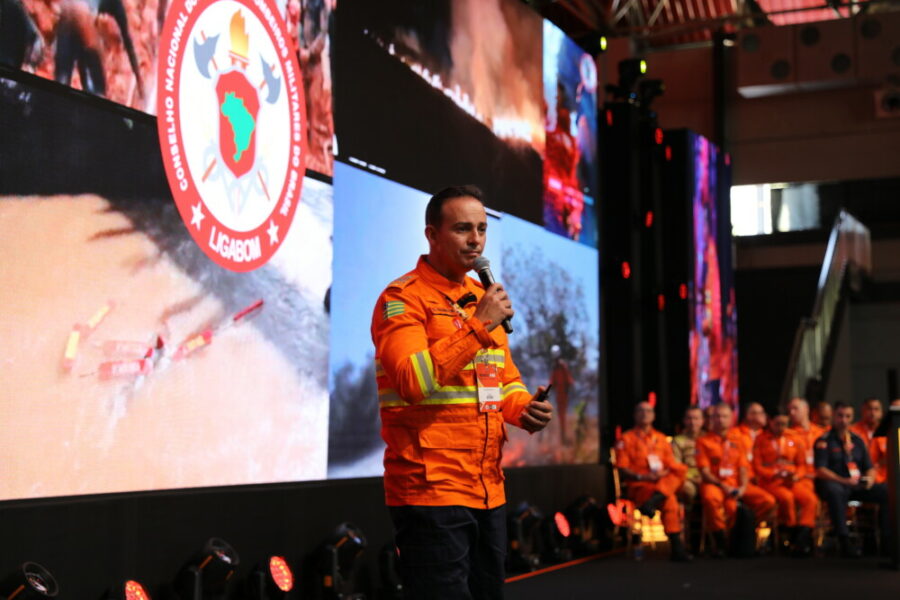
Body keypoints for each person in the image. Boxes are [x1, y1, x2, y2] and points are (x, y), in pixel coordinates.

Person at [371, 186, 553, 599]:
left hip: (488, 487)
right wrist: (477, 326)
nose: (476, 240)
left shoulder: (481, 299)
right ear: (432, 235)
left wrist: (524, 408)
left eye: (482, 229)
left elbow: (502, 381)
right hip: (429, 488)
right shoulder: (401, 300)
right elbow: (413, 381)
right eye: (462, 229)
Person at [615, 402, 692, 562]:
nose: (645, 414)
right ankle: (677, 546)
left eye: (648, 410)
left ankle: (653, 501)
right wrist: (642, 477)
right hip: (640, 485)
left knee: (680, 470)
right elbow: (622, 468)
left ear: (654, 415)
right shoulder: (626, 438)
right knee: (670, 499)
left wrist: (663, 472)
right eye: (641, 411)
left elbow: (671, 464)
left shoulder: (662, 438)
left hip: (660, 483)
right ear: (635, 415)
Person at [696, 403, 776, 557]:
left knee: (768, 501)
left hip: (737, 484)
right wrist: (723, 486)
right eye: (717, 416)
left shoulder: (738, 440)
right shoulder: (703, 441)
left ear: (731, 419)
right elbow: (704, 471)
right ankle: (721, 542)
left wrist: (743, 488)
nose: (720, 419)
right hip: (715, 483)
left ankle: (745, 530)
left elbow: (743, 468)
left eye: (724, 416)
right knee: (711, 498)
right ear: (711, 419)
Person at [814, 402, 889, 558]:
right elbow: (821, 470)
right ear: (834, 416)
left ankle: (888, 540)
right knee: (836, 491)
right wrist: (843, 480)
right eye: (840, 416)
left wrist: (869, 479)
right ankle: (844, 540)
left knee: (887, 491)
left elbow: (869, 466)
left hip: (855, 484)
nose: (843, 420)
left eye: (847, 416)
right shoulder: (824, 440)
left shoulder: (857, 440)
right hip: (833, 483)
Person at [752, 413, 817, 556]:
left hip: (792, 480)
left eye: (784, 424)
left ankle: (803, 536)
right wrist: (773, 474)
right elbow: (757, 466)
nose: (781, 428)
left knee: (810, 499)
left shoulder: (794, 437)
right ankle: (789, 534)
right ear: (770, 422)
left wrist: (796, 476)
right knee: (786, 498)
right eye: (778, 424)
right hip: (771, 481)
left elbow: (802, 464)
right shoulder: (760, 439)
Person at [788, 397, 825, 491]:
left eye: (795, 408)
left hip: (821, 477)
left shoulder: (821, 433)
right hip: (801, 478)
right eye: (789, 410)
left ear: (806, 409)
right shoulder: (788, 435)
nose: (791, 413)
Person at [671, 406, 704, 506]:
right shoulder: (677, 441)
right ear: (684, 421)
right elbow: (676, 465)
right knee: (687, 489)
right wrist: (692, 479)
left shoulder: (709, 438)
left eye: (696, 418)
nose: (693, 422)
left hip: (707, 479)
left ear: (702, 420)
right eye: (689, 418)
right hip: (687, 479)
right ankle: (686, 519)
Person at [850, 398, 887, 484]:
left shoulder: (889, 433)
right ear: (862, 411)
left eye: (876, 409)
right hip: (860, 478)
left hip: (885, 480)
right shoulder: (852, 431)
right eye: (869, 409)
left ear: (882, 413)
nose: (873, 413)